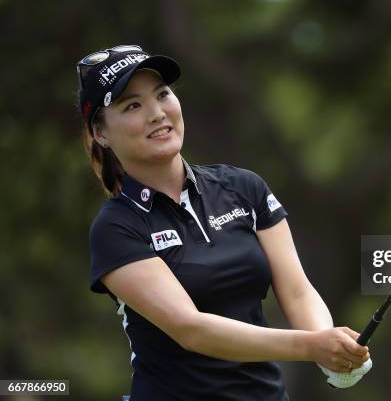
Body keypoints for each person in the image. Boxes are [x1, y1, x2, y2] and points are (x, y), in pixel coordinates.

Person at [77, 45, 372, 400]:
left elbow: (297, 290)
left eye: (162, 94)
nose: (157, 113)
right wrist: (312, 346)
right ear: (101, 133)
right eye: (132, 105)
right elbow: (191, 329)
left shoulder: (243, 188)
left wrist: (334, 350)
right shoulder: (116, 227)